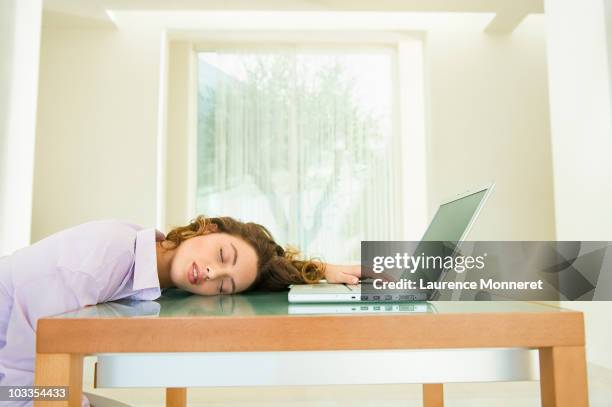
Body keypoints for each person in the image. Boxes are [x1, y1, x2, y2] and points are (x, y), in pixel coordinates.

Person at [0, 215, 360, 406]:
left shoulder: (151, 263)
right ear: (204, 229)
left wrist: (315, 271)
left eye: (223, 285)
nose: (211, 274)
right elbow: (18, 386)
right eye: (222, 256)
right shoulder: (100, 259)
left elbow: (259, 269)